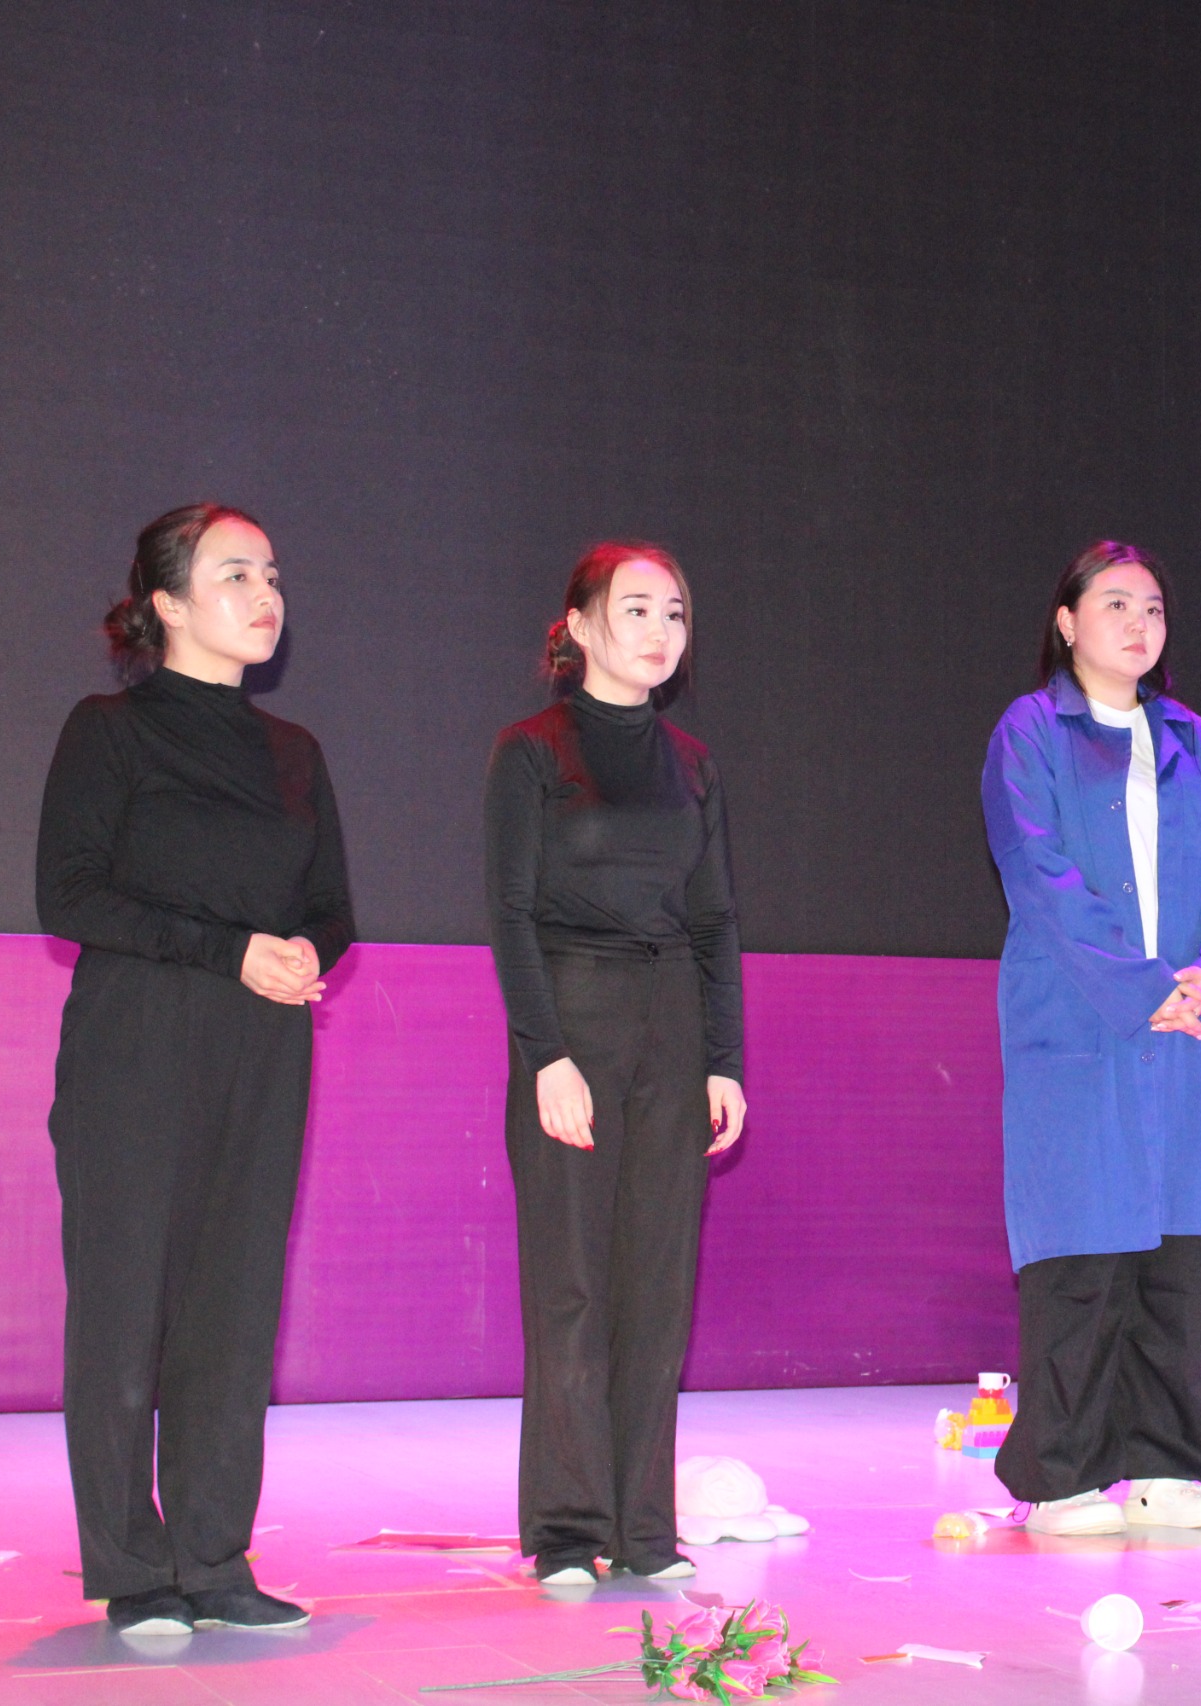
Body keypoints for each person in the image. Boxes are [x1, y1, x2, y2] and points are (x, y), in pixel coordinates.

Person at [36, 504, 352, 1635]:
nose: (266, 595)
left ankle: (214, 1555)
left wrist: (307, 949)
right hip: (138, 1042)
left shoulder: (295, 753)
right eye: (235, 574)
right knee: (125, 1306)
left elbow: (331, 905)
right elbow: (68, 892)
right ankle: (135, 1566)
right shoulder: (109, 731)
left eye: (272, 574)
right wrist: (230, 951)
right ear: (166, 603)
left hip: (262, 1047)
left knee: (234, 1303)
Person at [980, 540, 1201, 1537]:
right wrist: (1143, 987)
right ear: (1066, 622)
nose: (1139, 623)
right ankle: (1062, 1477)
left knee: (1181, 1250)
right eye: (1114, 604)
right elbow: (1039, 873)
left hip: (1183, 1029)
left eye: (1152, 608)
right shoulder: (1029, 732)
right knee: (1082, 1248)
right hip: (1079, 1020)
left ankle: (1168, 1468)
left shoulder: (1191, 738)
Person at [484, 541, 747, 1586]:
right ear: (582, 624)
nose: (659, 630)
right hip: (574, 1018)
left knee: (656, 1284)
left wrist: (723, 1058)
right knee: (573, 1284)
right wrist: (545, 1054)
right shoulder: (531, 751)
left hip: (672, 1026)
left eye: (674, 613)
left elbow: (715, 918)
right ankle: (564, 1526)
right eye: (635, 608)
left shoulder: (694, 763)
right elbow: (509, 913)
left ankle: (642, 1526)